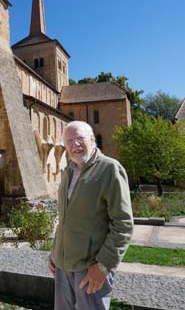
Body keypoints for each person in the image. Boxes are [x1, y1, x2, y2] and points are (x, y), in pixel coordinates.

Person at [48, 121, 133, 310]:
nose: (74, 144)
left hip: (91, 268)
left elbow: (123, 224)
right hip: (62, 267)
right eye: (69, 140)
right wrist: (55, 251)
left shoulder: (109, 169)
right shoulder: (69, 170)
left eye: (80, 138)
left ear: (92, 140)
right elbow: (65, 219)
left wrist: (103, 266)